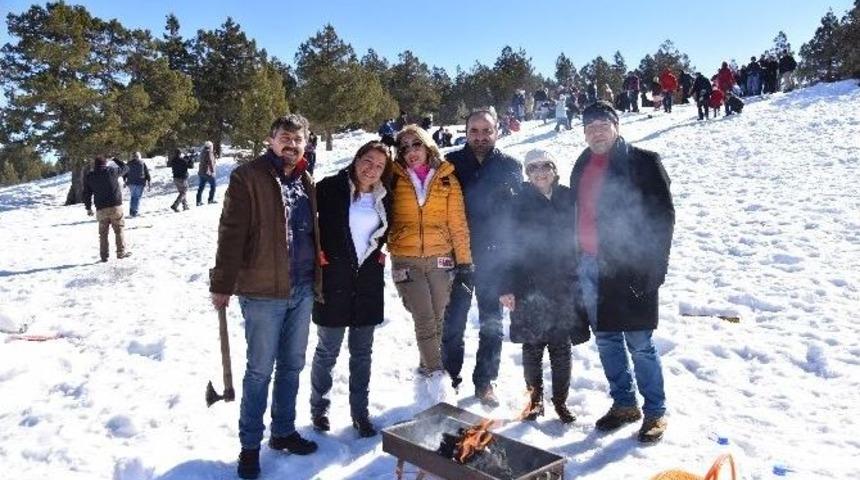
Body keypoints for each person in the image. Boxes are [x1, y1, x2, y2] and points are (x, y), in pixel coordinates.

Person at [210, 114, 321, 480]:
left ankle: (284, 431)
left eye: (298, 139)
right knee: (259, 371)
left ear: (306, 142)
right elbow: (231, 232)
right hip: (262, 292)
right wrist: (222, 283)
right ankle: (249, 446)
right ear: (270, 140)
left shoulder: (306, 178)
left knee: (292, 365)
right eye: (285, 138)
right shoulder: (249, 176)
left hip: (302, 287)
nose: (291, 145)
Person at [569, 101, 675, 444]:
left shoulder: (643, 162)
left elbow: (664, 217)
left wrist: (655, 268)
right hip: (590, 265)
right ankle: (624, 403)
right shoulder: (582, 164)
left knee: (640, 342)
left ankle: (656, 410)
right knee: (606, 338)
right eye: (589, 127)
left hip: (632, 266)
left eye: (602, 124)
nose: (596, 131)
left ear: (617, 125)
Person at [498, 149, 590, 424]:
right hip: (528, 285)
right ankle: (534, 401)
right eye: (533, 168)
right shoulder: (517, 203)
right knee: (533, 346)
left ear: (554, 168)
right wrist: (506, 286)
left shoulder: (569, 197)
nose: (540, 172)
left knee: (561, 347)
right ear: (527, 173)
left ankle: (560, 401)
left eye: (545, 166)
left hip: (564, 283)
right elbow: (507, 248)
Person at [309, 141, 393, 438]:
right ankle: (319, 409)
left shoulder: (386, 197)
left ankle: (360, 413)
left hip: (368, 284)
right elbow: (306, 224)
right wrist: (314, 252)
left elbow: (388, 234)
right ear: (356, 159)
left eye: (379, 165)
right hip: (333, 281)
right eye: (367, 161)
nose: (371, 169)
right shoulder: (330, 188)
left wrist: (383, 252)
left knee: (362, 354)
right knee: (327, 350)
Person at [443, 108, 522, 407]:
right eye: (474, 131)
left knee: (492, 325)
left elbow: (517, 219)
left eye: (486, 131)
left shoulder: (510, 167)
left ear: (497, 131)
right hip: (458, 258)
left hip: (495, 260)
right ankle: (449, 377)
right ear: (466, 131)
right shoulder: (449, 164)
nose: (480, 137)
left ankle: (485, 381)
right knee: (452, 325)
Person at [389, 125, 471, 402]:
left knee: (437, 321)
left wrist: (465, 262)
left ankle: (424, 381)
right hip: (406, 258)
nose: (411, 152)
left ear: (427, 146)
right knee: (424, 319)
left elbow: (457, 224)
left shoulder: (447, 178)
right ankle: (438, 383)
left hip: (440, 257)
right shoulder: (393, 177)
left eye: (416, 145)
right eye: (405, 147)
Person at [83, 156, 131, 262]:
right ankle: (121, 252)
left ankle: (104, 256)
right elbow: (126, 167)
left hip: (101, 209)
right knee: (119, 230)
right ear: (105, 164)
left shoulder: (90, 176)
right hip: (115, 206)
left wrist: (88, 208)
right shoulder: (112, 171)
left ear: (94, 165)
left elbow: (86, 193)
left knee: (103, 234)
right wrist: (115, 159)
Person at [124, 151, 150, 217]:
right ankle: (135, 211)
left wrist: (125, 180)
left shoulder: (128, 164)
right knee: (137, 197)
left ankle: (131, 210)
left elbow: (124, 173)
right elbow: (146, 172)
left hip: (131, 183)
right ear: (139, 156)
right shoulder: (142, 163)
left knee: (133, 196)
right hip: (140, 182)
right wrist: (148, 180)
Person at [196, 140, 217, 206]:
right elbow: (210, 162)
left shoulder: (202, 152)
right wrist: (212, 171)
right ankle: (210, 200)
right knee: (213, 186)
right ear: (210, 146)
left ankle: (198, 201)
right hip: (208, 173)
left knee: (201, 187)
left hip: (201, 172)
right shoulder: (209, 152)